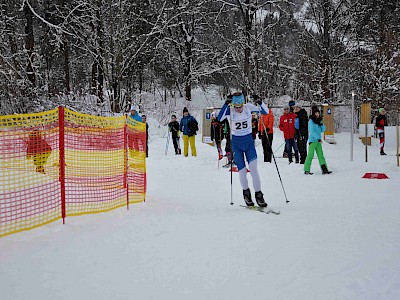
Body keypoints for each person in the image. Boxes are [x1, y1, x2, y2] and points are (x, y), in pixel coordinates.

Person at [217, 92, 269, 207]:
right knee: (242, 171)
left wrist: (259, 101)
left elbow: (265, 112)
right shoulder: (229, 110)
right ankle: (246, 194)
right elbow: (219, 118)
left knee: (254, 169)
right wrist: (226, 103)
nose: (238, 109)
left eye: (240, 106)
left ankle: (259, 195)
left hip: (249, 142)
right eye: (236, 107)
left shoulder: (248, 108)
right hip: (236, 144)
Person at [304, 106, 332, 175]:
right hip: (313, 141)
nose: (317, 114)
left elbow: (323, 130)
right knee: (310, 155)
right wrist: (318, 138)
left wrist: (321, 124)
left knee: (320, 155)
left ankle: (324, 169)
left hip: (318, 141)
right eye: (316, 113)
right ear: (313, 114)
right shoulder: (311, 121)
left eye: (318, 113)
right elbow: (312, 131)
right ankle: (306, 169)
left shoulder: (319, 120)